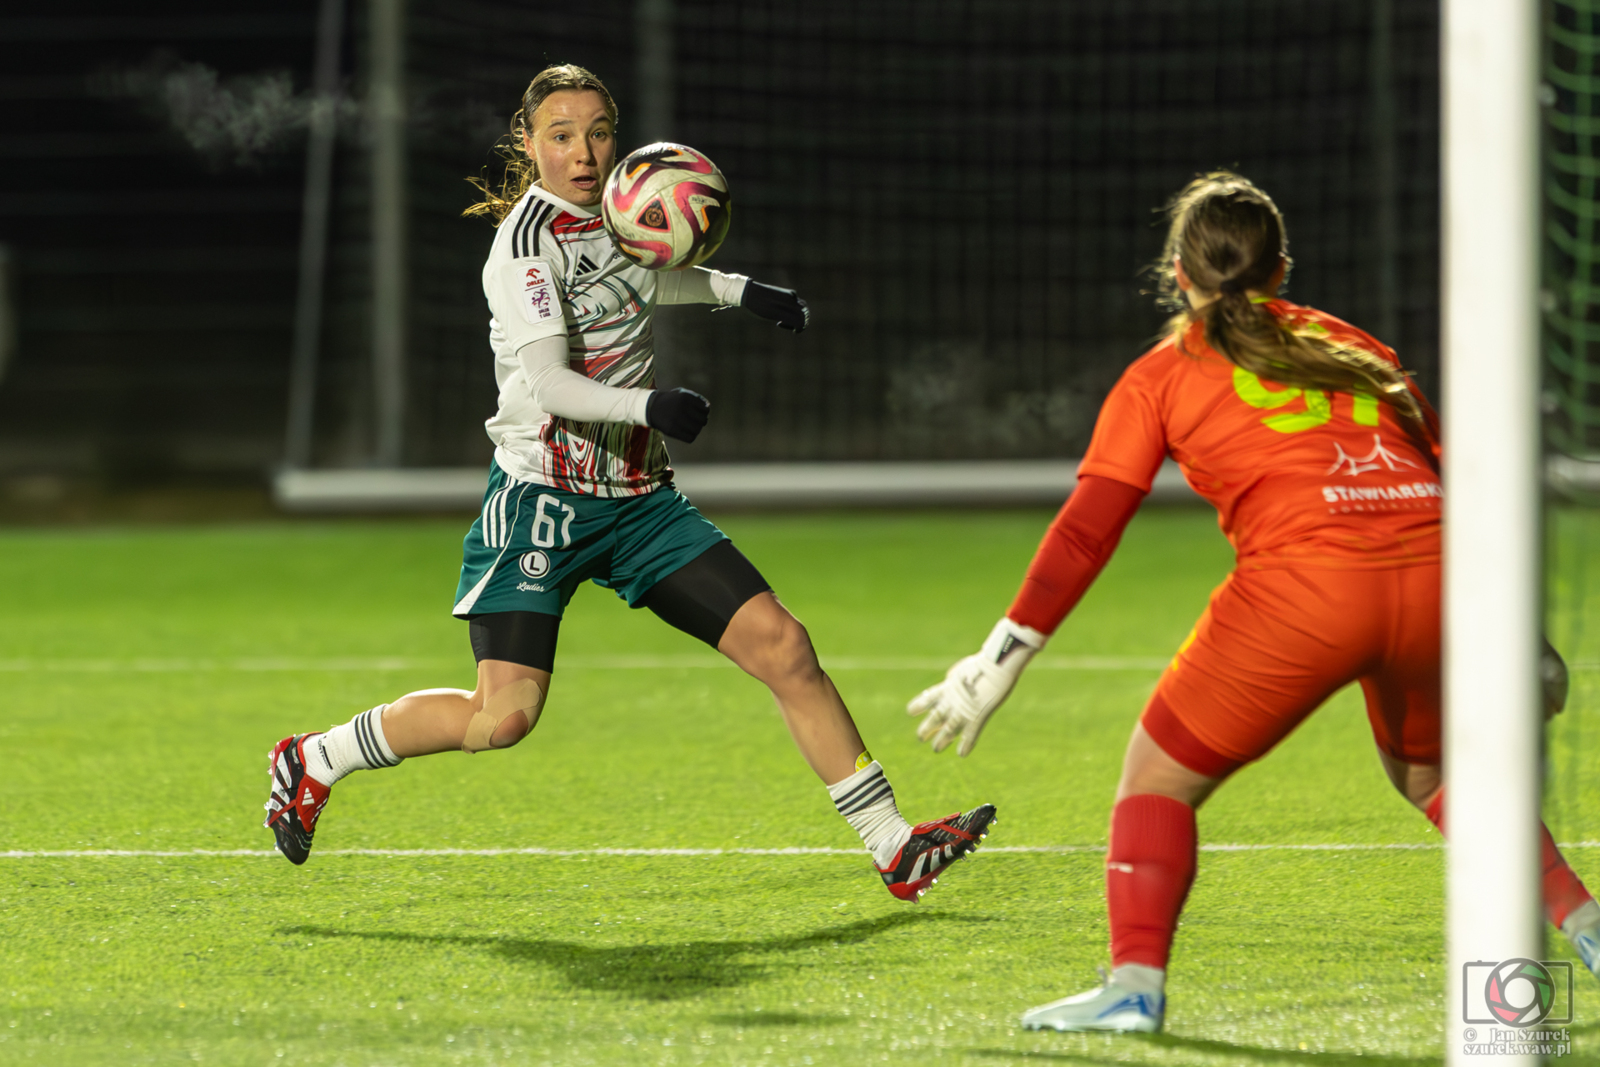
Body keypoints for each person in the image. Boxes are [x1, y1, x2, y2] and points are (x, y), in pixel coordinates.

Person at [262, 63, 994, 900]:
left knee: (785, 647)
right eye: (562, 135)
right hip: (543, 502)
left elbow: (649, 270)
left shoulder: (618, 207)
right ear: (529, 144)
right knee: (501, 719)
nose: (584, 152)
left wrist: (738, 288)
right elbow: (549, 383)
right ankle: (314, 756)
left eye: (599, 131)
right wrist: (652, 403)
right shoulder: (524, 246)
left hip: (642, 504)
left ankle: (894, 845)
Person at [907, 172, 1598, 1031]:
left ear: (1176, 273)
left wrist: (1000, 657)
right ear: (1283, 269)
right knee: (1435, 775)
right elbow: (1458, 484)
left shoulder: (1160, 375)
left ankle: (1134, 986)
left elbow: (1088, 530)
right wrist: (1518, 630)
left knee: (1155, 779)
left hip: (1307, 594)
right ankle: (1585, 920)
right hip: (1442, 583)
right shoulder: (1358, 345)